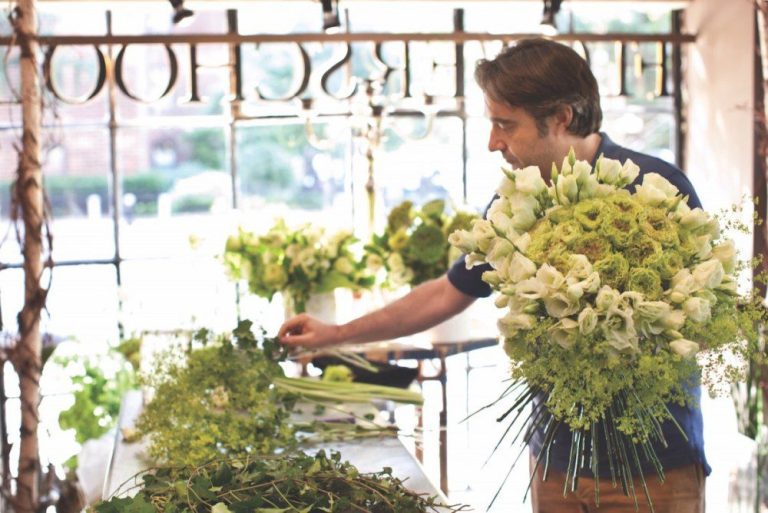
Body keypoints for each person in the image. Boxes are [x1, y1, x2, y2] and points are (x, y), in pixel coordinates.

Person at [279, 38, 708, 513]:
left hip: (657, 461)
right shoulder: (513, 205)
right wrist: (337, 334)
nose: (493, 143)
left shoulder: (655, 189)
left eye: (506, 125)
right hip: (557, 462)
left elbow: (703, 315)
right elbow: (447, 292)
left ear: (562, 118)